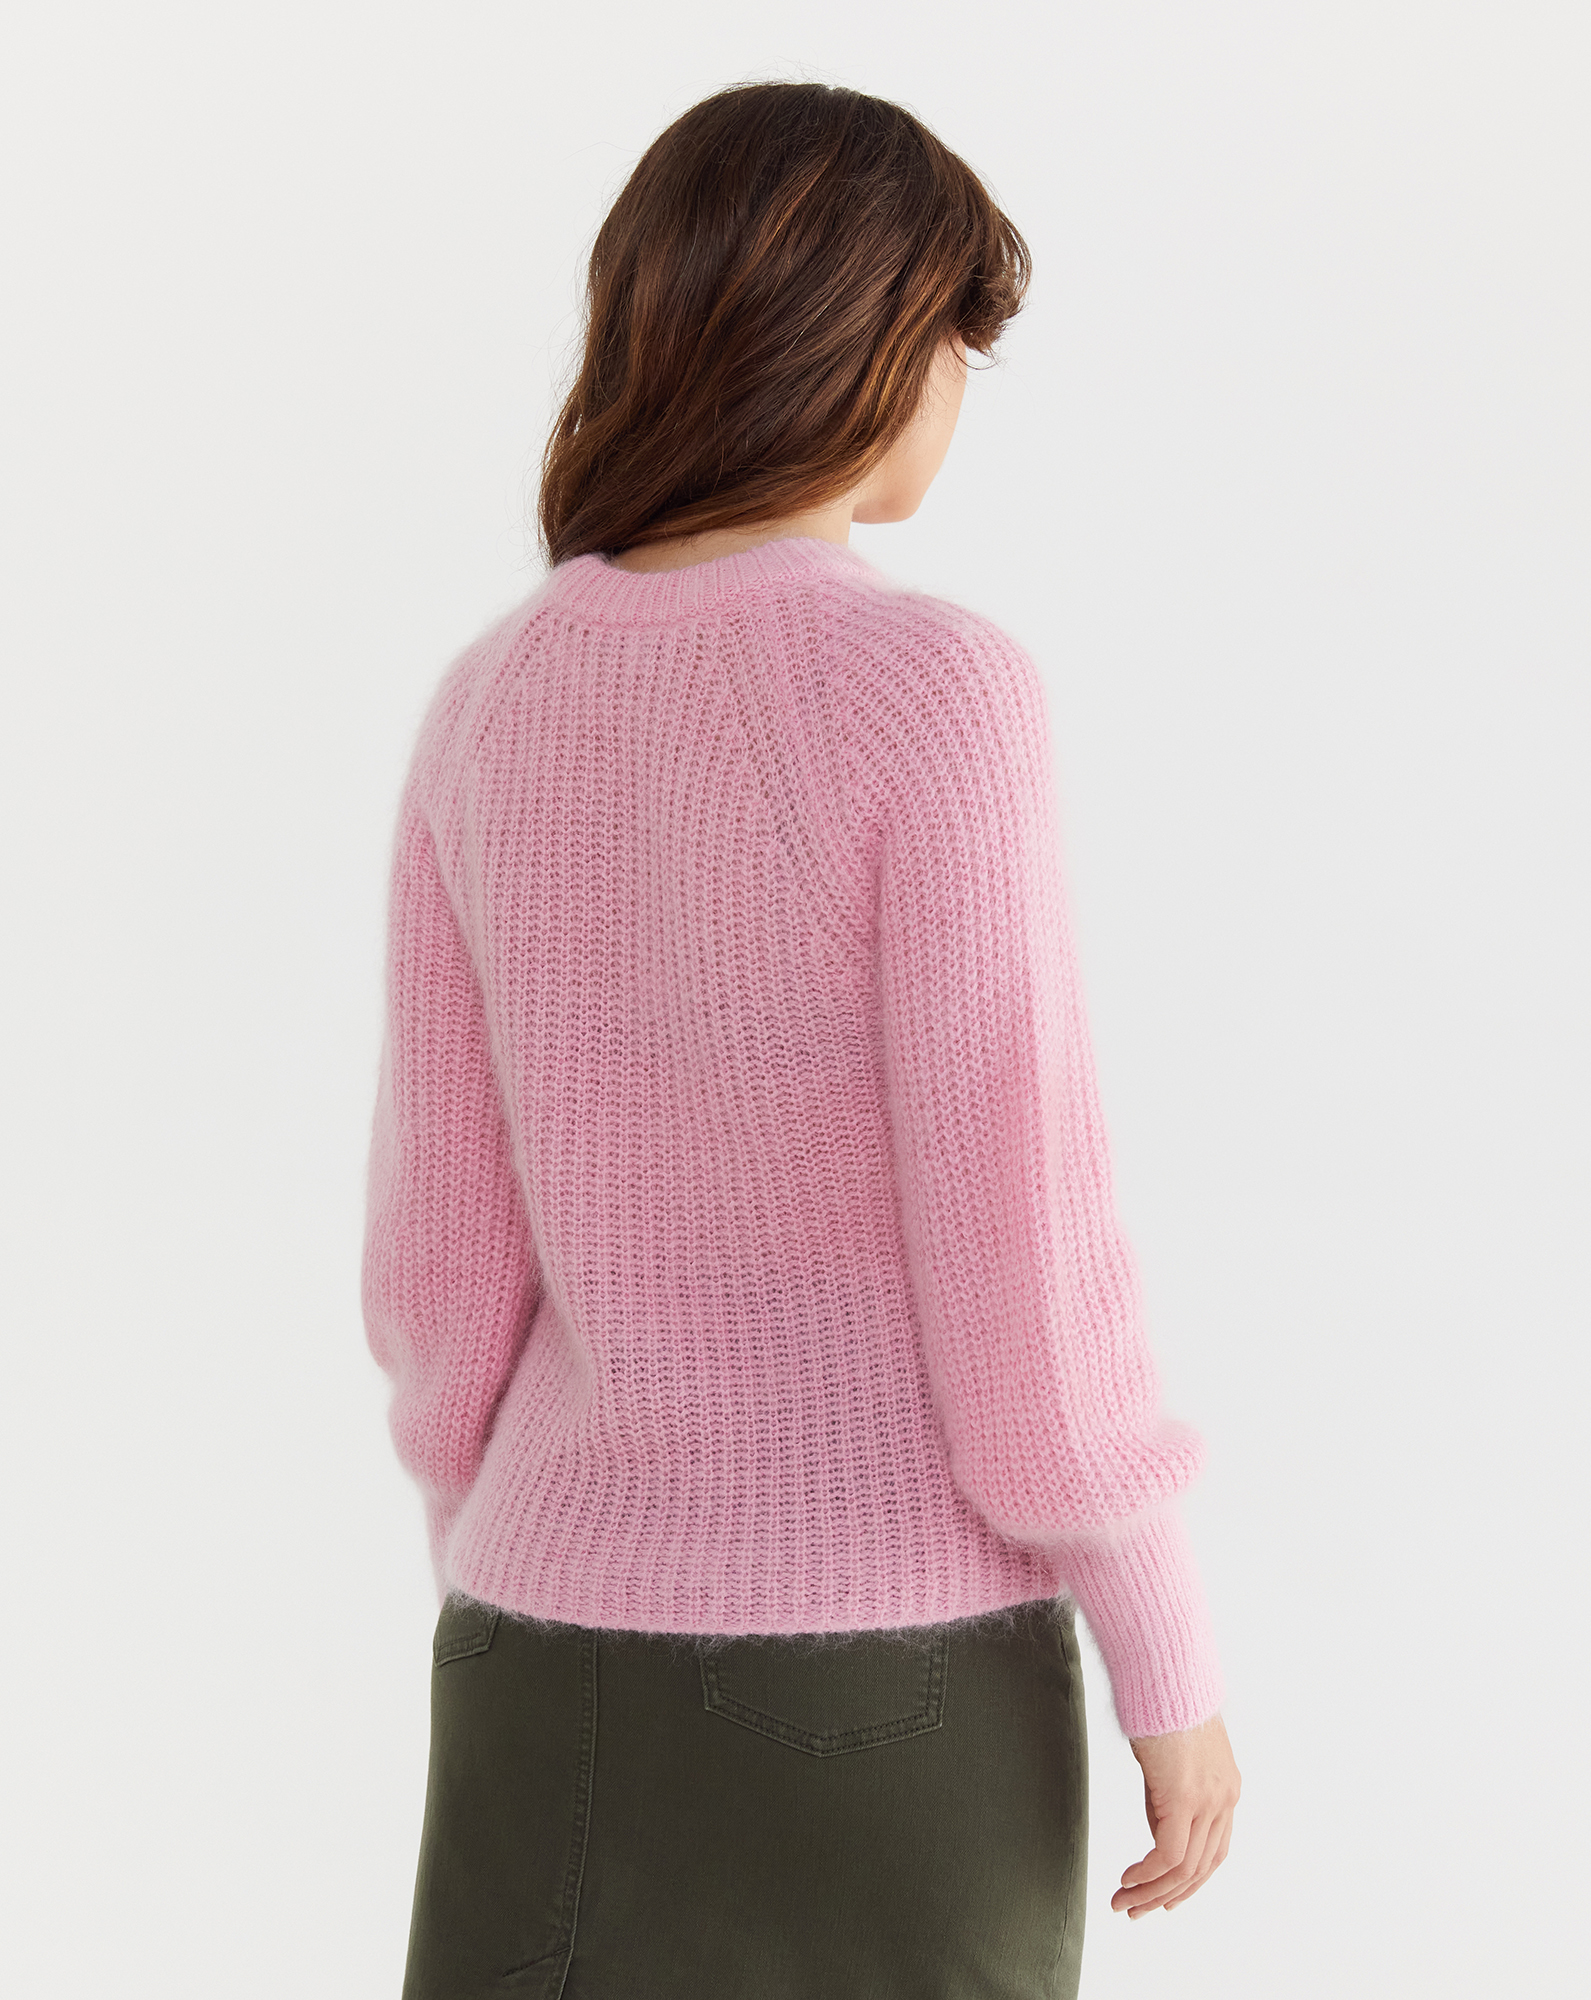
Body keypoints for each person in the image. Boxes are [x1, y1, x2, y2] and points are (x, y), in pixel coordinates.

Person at [363, 79, 1240, 2000]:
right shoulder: (933, 693)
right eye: (952, 340)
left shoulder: (489, 702)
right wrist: (1165, 1650)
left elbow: (440, 1270)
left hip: (534, 1650)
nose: (956, 390)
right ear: (864, 340)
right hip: (891, 1681)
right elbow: (1022, 1248)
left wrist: (507, 1554)